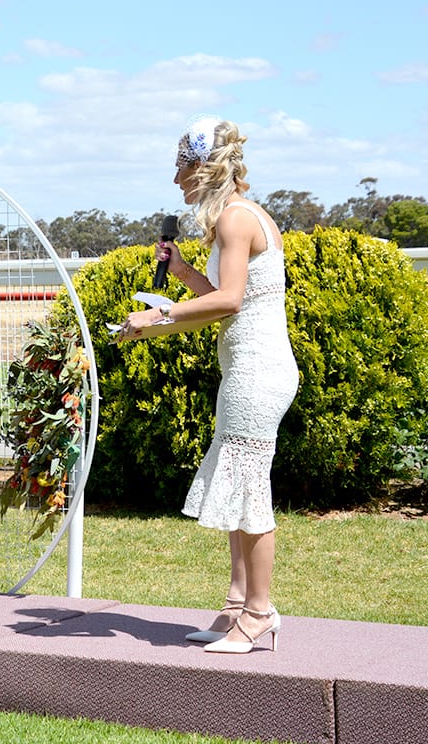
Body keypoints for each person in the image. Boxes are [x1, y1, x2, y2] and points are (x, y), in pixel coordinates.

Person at [122, 116, 298, 654]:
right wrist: (178, 277)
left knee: (249, 493)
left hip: (257, 372)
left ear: (203, 167)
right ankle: (236, 605)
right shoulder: (234, 217)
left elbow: (229, 302)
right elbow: (219, 300)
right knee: (236, 488)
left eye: (181, 168)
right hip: (246, 368)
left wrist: (159, 316)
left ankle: (260, 613)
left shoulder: (235, 219)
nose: (177, 181)